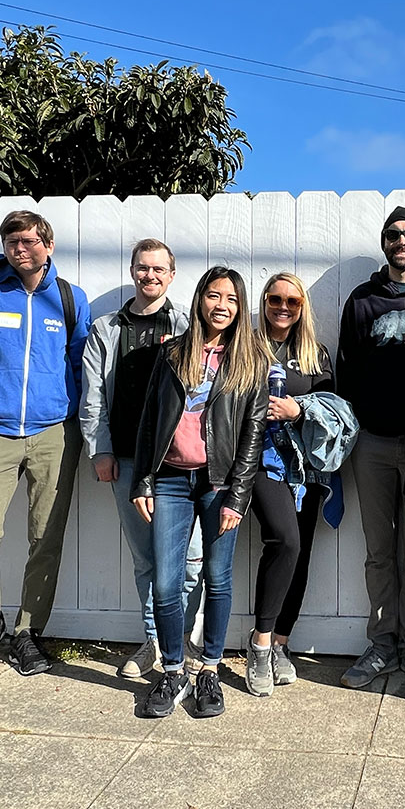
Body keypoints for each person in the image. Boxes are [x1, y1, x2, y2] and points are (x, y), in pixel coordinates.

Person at [0, 210, 90, 676]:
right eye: (10, 241)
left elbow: (82, 368)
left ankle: (28, 633)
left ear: (47, 244)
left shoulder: (69, 298)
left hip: (52, 434)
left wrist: (76, 427)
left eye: (27, 240)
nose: (18, 248)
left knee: (44, 539)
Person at [131, 266, 268, 719]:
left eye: (231, 298)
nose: (222, 305)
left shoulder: (251, 359)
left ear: (240, 305)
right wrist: (143, 480)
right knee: (167, 581)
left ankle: (209, 669)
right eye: (213, 296)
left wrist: (238, 495)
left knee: (218, 576)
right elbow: (150, 418)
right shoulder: (172, 352)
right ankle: (172, 670)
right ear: (199, 300)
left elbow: (253, 432)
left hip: (220, 483)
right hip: (170, 480)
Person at [336, 206, 405, 696]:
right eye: (393, 234)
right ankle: (381, 642)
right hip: (374, 443)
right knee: (380, 550)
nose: (402, 241)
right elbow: (347, 368)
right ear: (384, 243)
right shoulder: (363, 299)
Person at [80, 238, 199, 680]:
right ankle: (154, 640)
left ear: (171, 275)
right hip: (128, 460)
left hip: (180, 463)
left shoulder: (189, 326)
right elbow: (92, 393)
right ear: (133, 271)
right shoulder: (107, 328)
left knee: (189, 560)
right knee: (147, 559)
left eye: (158, 269)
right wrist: (102, 448)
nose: (150, 276)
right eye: (142, 268)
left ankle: (181, 639)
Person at [244, 273, 336, 695]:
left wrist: (298, 411)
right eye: (275, 298)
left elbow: (334, 411)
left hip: (307, 466)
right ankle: (260, 643)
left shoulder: (314, 355)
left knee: (302, 551)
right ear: (263, 302)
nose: (283, 307)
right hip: (260, 461)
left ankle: (281, 641)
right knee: (286, 541)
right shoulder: (246, 347)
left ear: (303, 308)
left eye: (293, 301)